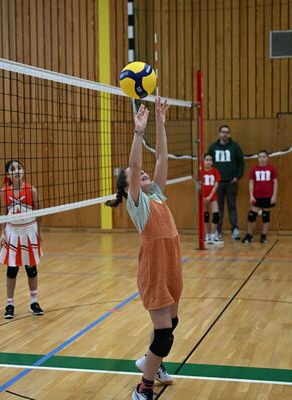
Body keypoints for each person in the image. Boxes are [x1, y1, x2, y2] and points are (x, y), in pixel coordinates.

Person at [105, 98, 182, 400]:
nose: (143, 174)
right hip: (155, 271)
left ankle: (154, 362)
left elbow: (161, 156)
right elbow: (136, 165)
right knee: (163, 334)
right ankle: (143, 388)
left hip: (171, 266)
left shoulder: (158, 194)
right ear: (129, 188)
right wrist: (139, 132)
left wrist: (160, 123)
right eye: (136, 177)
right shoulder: (138, 203)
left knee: (170, 324)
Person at [0, 160, 44, 319]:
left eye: (19, 168)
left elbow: (40, 213)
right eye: (13, 169)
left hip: (29, 232)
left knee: (31, 269)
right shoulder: (4, 191)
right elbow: (3, 213)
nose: (17, 171)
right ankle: (9, 304)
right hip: (12, 232)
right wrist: (2, 232)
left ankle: (34, 302)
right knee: (12, 269)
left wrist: (40, 233)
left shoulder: (32, 190)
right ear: (8, 174)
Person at [207, 125, 245, 240]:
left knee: (232, 206)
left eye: (227, 132)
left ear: (229, 134)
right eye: (223, 132)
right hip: (218, 183)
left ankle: (235, 229)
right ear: (219, 133)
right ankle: (217, 230)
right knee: (218, 207)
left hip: (231, 182)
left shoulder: (235, 146)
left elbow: (241, 162)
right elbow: (208, 163)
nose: (225, 134)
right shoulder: (213, 147)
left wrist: (237, 176)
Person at [242, 150, 278, 244]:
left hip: (268, 197)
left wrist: (274, 196)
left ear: (267, 158)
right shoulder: (254, 169)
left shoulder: (271, 169)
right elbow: (251, 183)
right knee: (251, 216)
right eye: (260, 157)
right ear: (258, 158)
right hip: (257, 196)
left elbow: (275, 182)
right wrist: (251, 196)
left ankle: (263, 236)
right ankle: (249, 235)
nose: (262, 159)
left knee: (265, 216)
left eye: (264, 157)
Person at [200, 153, 223, 244]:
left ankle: (213, 235)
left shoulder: (215, 171)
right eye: (207, 160)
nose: (209, 162)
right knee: (206, 216)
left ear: (212, 162)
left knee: (216, 215)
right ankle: (207, 236)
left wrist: (209, 197)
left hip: (212, 197)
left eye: (210, 160)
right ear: (203, 161)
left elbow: (216, 185)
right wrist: (203, 197)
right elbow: (199, 186)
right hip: (203, 197)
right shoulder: (201, 172)